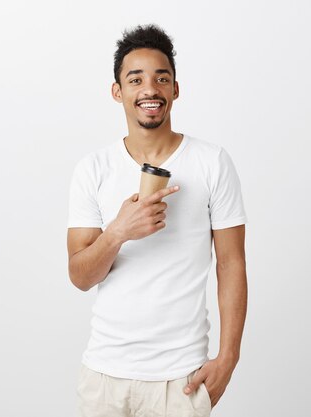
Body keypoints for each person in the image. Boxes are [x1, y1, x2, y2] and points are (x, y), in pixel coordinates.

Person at [67, 24, 248, 417]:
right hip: (104, 377)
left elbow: (232, 264)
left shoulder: (211, 162)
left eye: (161, 78)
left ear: (175, 89)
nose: (150, 89)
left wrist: (228, 359)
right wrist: (118, 231)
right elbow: (80, 276)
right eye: (136, 79)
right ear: (118, 92)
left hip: (180, 380)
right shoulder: (92, 169)